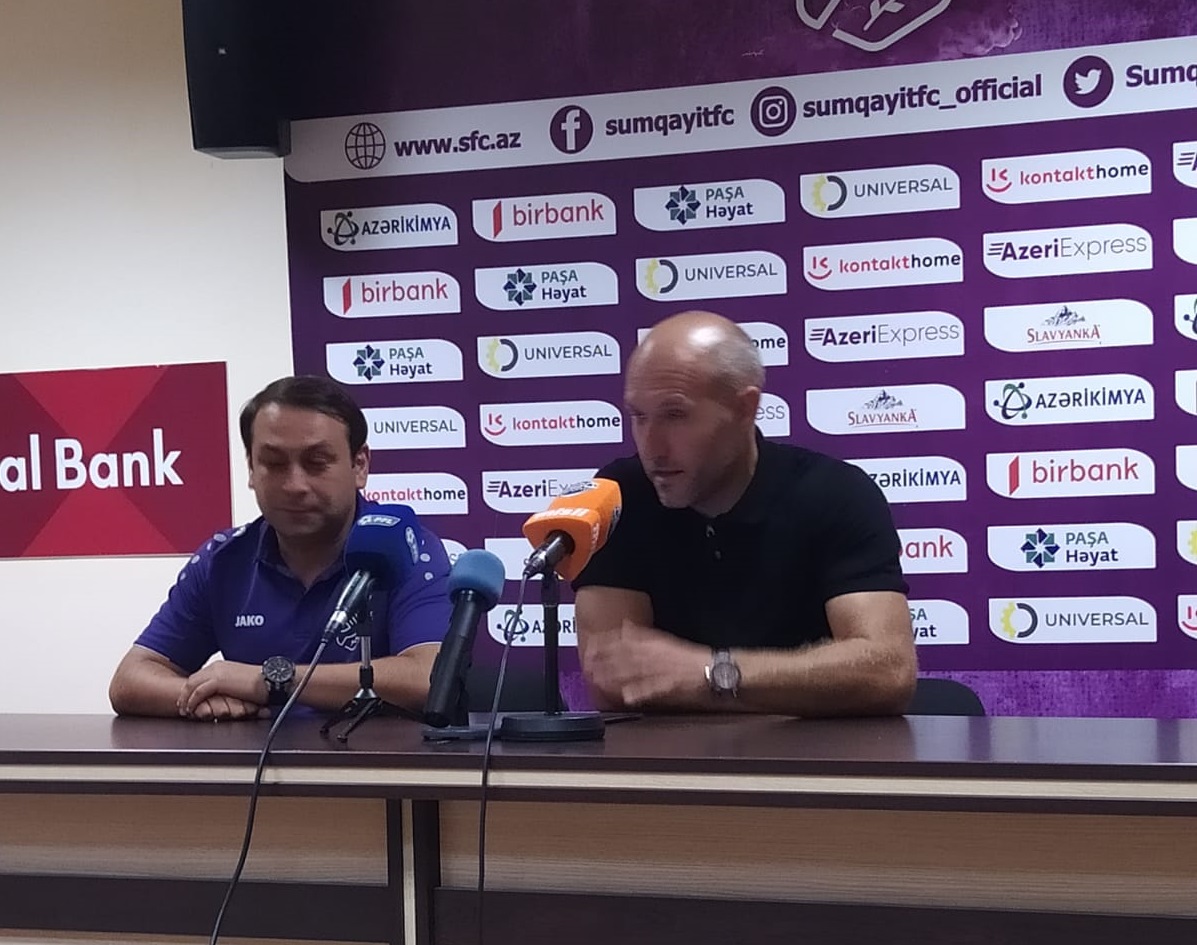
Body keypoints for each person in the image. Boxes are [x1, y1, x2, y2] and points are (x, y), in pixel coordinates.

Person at [572, 311, 916, 716]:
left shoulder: (837, 492)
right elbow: (616, 683)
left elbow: (887, 672)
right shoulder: (618, 496)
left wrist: (716, 673)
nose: (653, 447)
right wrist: (801, 682)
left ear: (745, 408)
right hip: (668, 755)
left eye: (676, 415)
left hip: (817, 754)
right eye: (639, 417)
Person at [108, 375, 452, 721]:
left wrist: (268, 681)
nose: (294, 485)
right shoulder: (223, 560)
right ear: (251, 469)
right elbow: (130, 680)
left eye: (316, 462)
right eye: (274, 464)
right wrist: (203, 695)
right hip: (256, 756)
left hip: (373, 756)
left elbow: (427, 677)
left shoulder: (405, 549)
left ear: (359, 465)